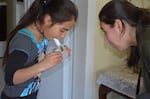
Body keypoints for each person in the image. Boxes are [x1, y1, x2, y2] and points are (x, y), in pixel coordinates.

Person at [1, 0, 78, 99]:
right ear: (48, 21)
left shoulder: (42, 36)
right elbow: (10, 78)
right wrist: (42, 65)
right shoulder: (23, 41)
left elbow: (35, 59)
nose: (63, 36)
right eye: (62, 30)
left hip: (31, 93)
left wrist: (56, 54)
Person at [98, 0, 150, 99]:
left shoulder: (147, 43)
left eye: (105, 31)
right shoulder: (142, 38)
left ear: (118, 25)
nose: (105, 40)